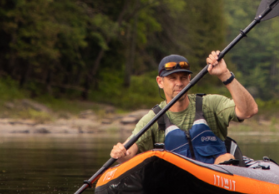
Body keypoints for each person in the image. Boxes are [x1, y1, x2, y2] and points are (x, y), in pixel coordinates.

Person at [110, 51, 258, 164]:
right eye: (172, 78)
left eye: (183, 78)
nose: (179, 83)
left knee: (226, 158)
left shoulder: (210, 104)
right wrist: (121, 153)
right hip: (178, 183)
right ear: (160, 82)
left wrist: (225, 74)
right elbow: (130, 151)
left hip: (216, 183)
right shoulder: (153, 119)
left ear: (189, 79)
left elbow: (249, 111)